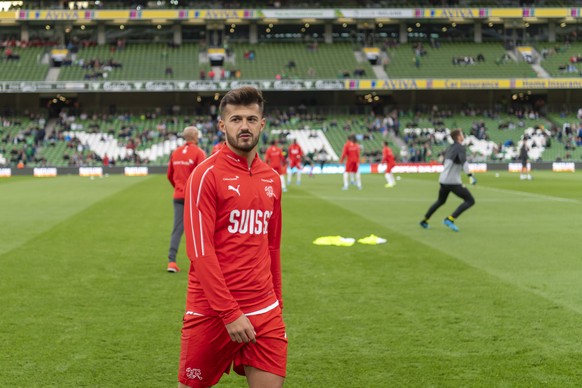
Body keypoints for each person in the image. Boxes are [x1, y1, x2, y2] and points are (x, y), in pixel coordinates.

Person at [179, 86, 286, 388]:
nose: (244, 126)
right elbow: (200, 252)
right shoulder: (206, 175)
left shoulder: (272, 180)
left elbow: (273, 247)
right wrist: (229, 313)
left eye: (252, 119)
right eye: (236, 119)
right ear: (222, 125)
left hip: (264, 309)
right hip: (211, 310)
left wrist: (277, 302)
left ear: (262, 124)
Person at [166, 126, 206, 273]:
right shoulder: (199, 153)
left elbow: (169, 175)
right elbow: (203, 176)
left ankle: (171, 262)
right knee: (199, 229)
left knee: (177, 229)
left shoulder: (175, 152)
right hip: (193, 197)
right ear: (195, 136)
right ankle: (199, 263)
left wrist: (178, 187)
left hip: (178, 196)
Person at [419, 129, 476, 232]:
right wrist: (470, 176)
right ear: (458, 137)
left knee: (440, 201)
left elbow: (444, 163)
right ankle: (450, 219)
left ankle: (424, 220)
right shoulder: (460, 148)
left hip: (443, 180)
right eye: (462, 134)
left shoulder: (449, 148)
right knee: (470, 200)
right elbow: (464, 162)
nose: (463, 135)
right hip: (452, 181)